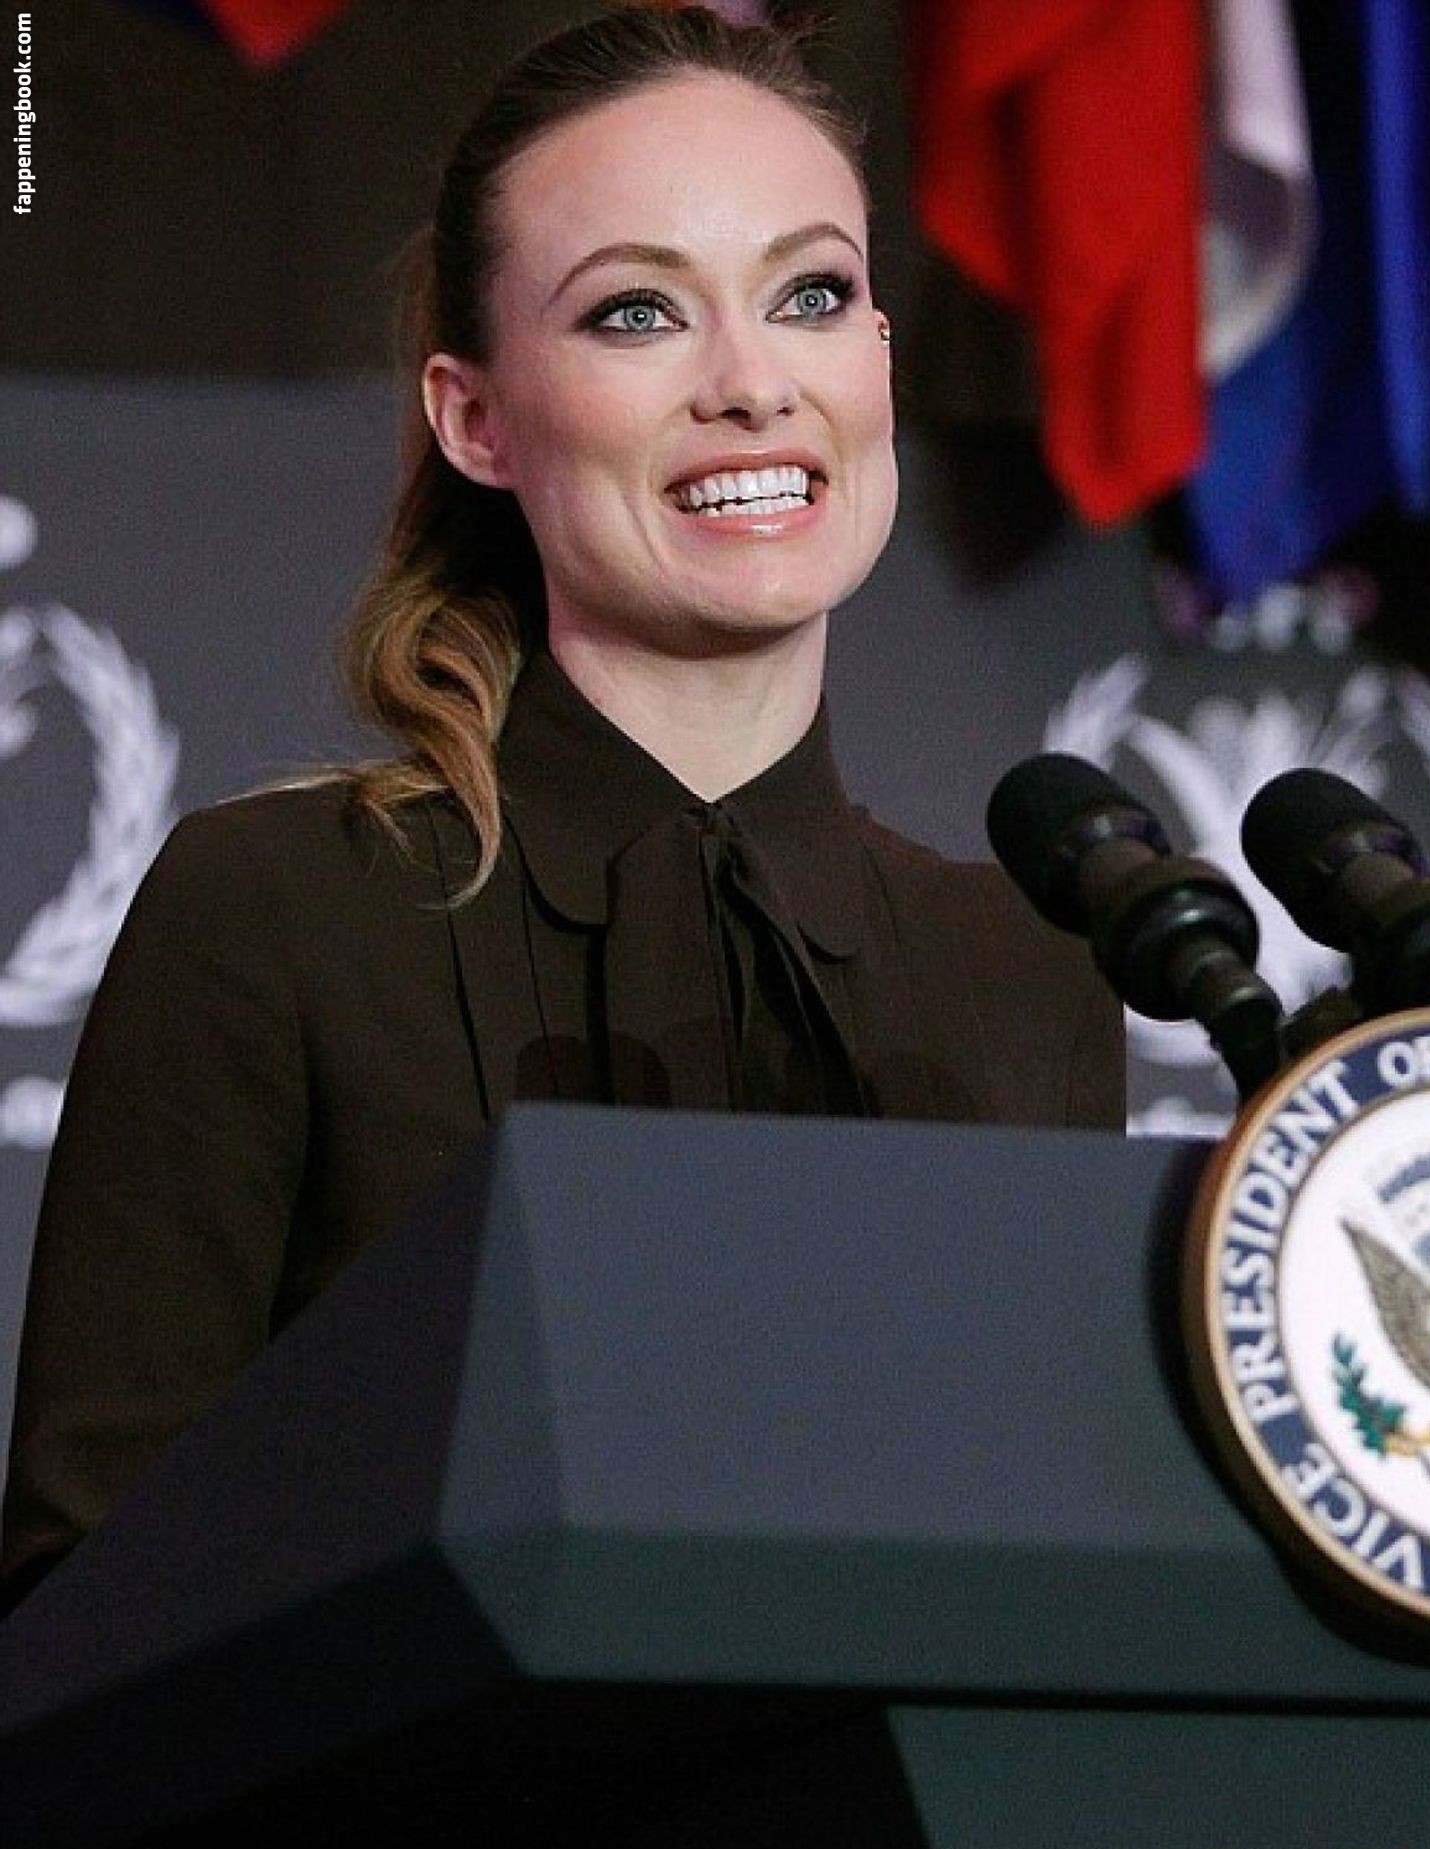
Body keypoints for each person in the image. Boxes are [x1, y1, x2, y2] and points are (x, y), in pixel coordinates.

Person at [0, 8, 1124, 1614]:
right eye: (636, 313)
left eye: (811, 295)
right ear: (475, 418)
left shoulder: (1028, 969)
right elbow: (85, 1607)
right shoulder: (278, 911)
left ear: (880, 355)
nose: (752, 385)